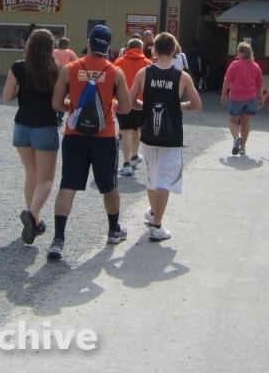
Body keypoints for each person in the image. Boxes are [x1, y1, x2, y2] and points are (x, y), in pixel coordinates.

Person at [47, 25, 133, 259]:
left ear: (88, 41)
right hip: (104, 137)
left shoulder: (70, 69)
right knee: (109, 184)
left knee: (68, 185)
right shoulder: (115, 72)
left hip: (74, 135)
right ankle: (114, 230)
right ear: (108, 46)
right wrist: (107, 107)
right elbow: (125, 107)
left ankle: (58, 240)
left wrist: (77, 109)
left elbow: (56, 104)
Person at [130, 32, 202, 241]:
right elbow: (197, 105)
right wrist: (178, 106)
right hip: (171, 134)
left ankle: (154, 212)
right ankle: (157, 224)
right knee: (164, 179)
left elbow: (131, 101)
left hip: (149, 132)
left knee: (152, 175)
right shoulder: (182, 76)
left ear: (154, 50)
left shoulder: (144, 73)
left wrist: (146, 107)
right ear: (174, 51)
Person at [4, 28, 61, 245]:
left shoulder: (18, 67)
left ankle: (35, 220)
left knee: (31, 175)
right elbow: (58, 103)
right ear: (50, 47)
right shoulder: (56, 70)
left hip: (22, 126)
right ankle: (33, 214)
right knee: (46, 179)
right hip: (45, 126)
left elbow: (7, 96)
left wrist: (24, 91)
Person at [113, 38, 150, 176]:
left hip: (122, 101)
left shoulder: (119, 62)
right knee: (137, 130)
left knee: (125, 131)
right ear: (141, 48)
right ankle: (134, 157)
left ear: (128, 48)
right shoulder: (147, 63)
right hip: (140, 103)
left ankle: (126, 164)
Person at [221, 42, 263, 156]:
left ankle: (236, 138)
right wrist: (261, 98)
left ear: (240, 52)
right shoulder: (256, 66)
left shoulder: (234, 64)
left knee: (232, 121)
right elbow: (259, 85)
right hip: (251, 98)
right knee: (245, 123)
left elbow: (227, 80)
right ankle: (243, 147)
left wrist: (224, 93)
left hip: (236, 97)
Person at [53, 38, 78, 125]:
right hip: (65, 74)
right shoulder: (69, 52)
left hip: (55, 74)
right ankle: (60, 118)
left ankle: (53, 115)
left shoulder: (54, 51)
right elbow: (77, 61)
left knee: (55, 93)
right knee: (64, 96)